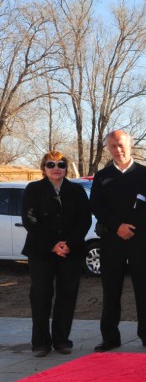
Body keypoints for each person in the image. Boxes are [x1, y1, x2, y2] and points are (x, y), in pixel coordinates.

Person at [90, 129, 146, 352]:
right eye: (113, 146)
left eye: (121, 145)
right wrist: (117, 227)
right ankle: (110, 337)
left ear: (130, 145)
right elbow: (97, 205)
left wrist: (133, 226)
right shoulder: (102, 176)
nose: (118, 149)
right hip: (111, 241)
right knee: (111, 289)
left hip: (139, 239)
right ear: (108, 148)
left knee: (144, 289)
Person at [21, 151, 92, 357]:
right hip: (41, 251)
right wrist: (53, 244)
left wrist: (69, 244)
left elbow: (84, 219)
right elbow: (29, 220)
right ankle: (40, 343)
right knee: (41, 295)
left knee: (67, 295)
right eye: (50, 164)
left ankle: (61, 340)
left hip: (71, 251)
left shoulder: (76, 190)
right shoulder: (33, 189)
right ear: (44, 168)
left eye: (60, 164)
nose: (56, 168)